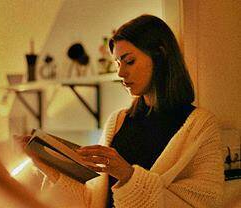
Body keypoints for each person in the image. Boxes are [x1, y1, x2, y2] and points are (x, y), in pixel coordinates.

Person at [17, 14, 224, 208]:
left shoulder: (200, 125)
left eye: (129, 61)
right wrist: (44, 160)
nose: (120, 72)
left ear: (160, 55)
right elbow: (94, 199)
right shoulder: (118, 121)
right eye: (117, 63)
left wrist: (128, 176)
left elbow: (207, 201)